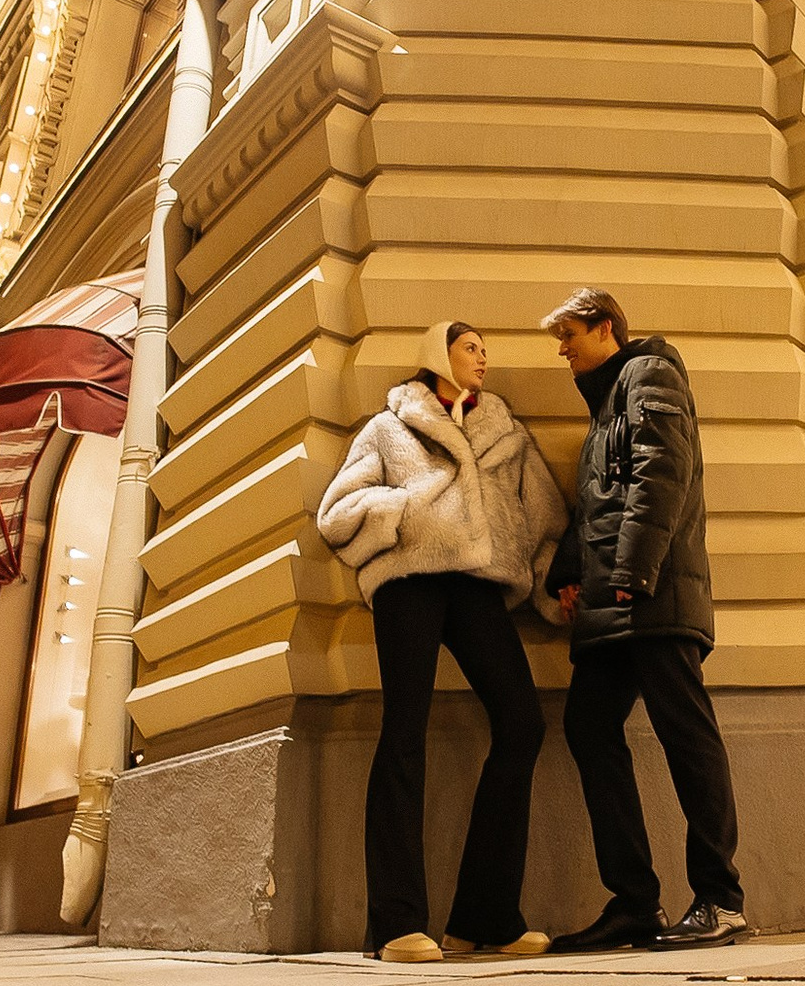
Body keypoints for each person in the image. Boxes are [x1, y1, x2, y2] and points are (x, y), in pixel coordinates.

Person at [316, 321, 569, 963]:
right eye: (469, 348)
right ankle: (396, 924)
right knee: (405, 729)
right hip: (410, 579)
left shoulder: (505, 434)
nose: (483, 357)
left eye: (485, 349)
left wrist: (555, 590)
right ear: (438, 355)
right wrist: (409, 511)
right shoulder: (389, 427)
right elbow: (337, 513)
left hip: (479, 586)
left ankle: (485, 915)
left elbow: (545, 522)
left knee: (522, 722)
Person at [539, 288, 747, 951]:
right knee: (588, 726)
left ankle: (721, 899)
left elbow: (663, 473)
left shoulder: (650, 372)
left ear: (606, 327)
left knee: (686, 734)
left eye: (569, 335)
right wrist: (570, 573)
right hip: (617, 598)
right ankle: (635, 903)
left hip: (652, 594)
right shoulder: (607, 404)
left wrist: (632, 570)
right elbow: (597, 503)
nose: (562, 350)